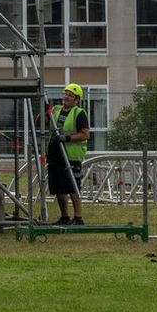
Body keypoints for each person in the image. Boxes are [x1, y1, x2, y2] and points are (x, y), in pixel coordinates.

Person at [45, 83, 90, 225]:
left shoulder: (79, 113)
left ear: (76, 100)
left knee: (72, 187)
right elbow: (41, 122)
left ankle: (78, 217)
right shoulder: (57, 110)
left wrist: (67, 138)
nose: (66, 97)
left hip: (71, 156)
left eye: (70, 95)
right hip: (55, 155)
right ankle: (64, 217)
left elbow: (85, 134)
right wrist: (45, 110)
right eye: (65, 94)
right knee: (59, 188)